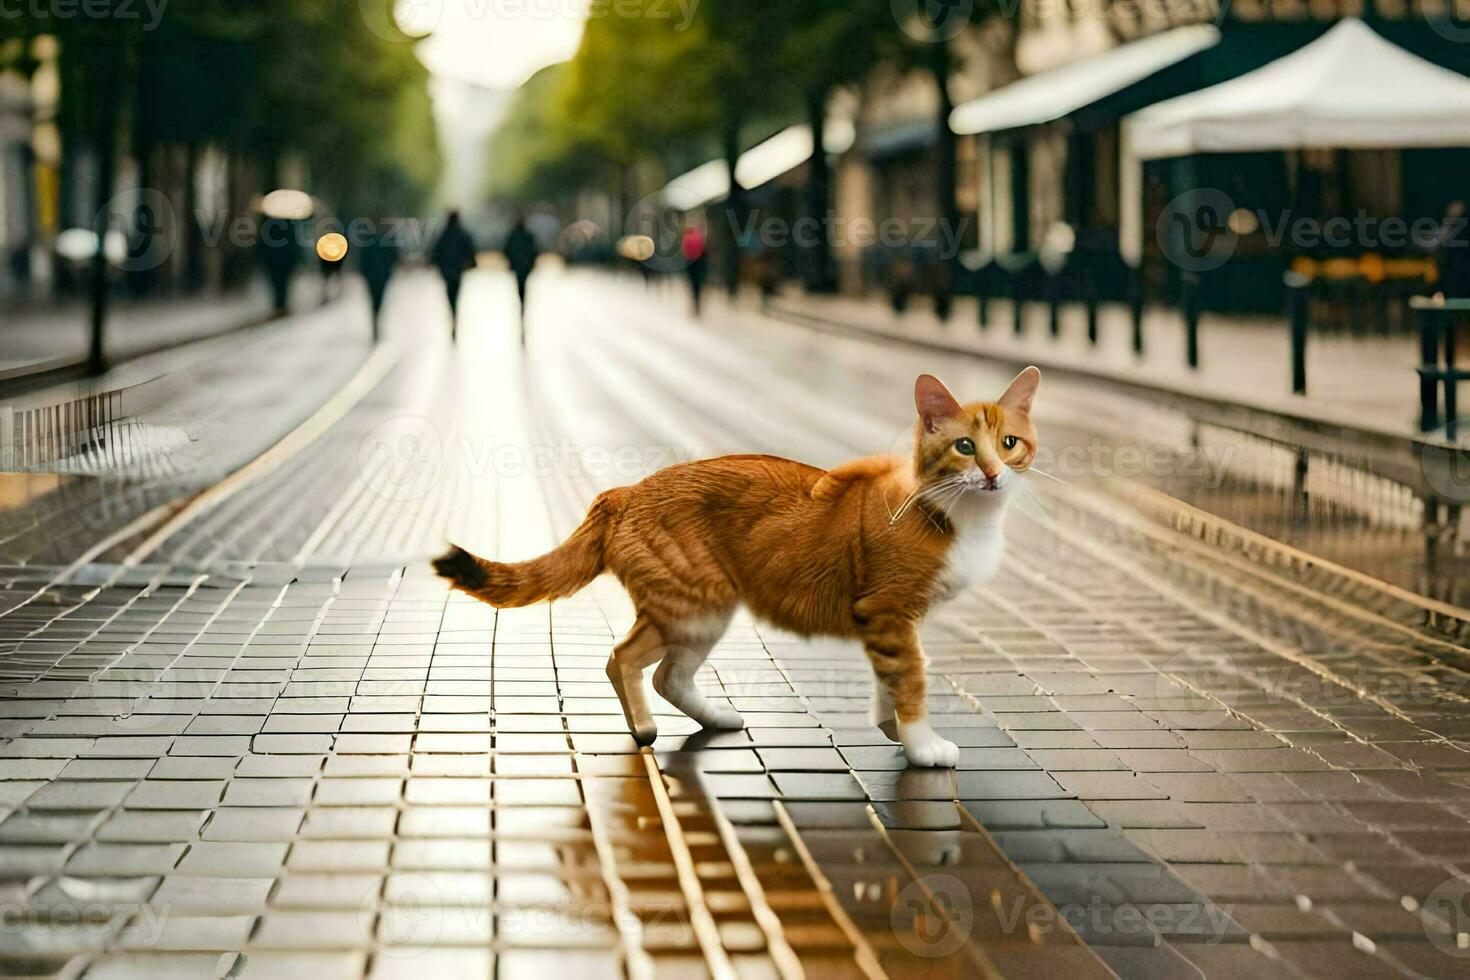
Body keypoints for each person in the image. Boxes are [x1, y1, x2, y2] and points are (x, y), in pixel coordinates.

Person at [430, 210, 477, 341]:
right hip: (457, 272)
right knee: (455, 296)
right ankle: (454, 318)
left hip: (448, 273)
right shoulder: (462, 235)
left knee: (451, 297)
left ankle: (453, 317)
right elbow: (471, 252)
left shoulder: (444, 235)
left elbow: (436, 254)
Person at [503, 214, 540, 343]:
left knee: (520, 288)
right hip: (525, 267)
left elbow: (506, 250)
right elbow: (535, 251)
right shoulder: (528, 236)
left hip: (518, 267)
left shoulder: (513, 235)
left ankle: (521, 307)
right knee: (523, 288)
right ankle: (522, 308)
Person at [357, 228, 398, 343]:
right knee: (378, 301)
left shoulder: (371, 240)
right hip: (379, 276)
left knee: (375, 301)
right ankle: (377, 322)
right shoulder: (385, 239)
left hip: (376, 276)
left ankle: (376, 322)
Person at [681, 221, 708, 317]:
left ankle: (695, 304)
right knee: (698, 286)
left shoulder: (687, 237)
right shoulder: (700, 237)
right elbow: (704, 252)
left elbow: (684, 251)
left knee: (693, 285)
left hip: (690, 263)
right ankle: (697, 304)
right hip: (699, 263)